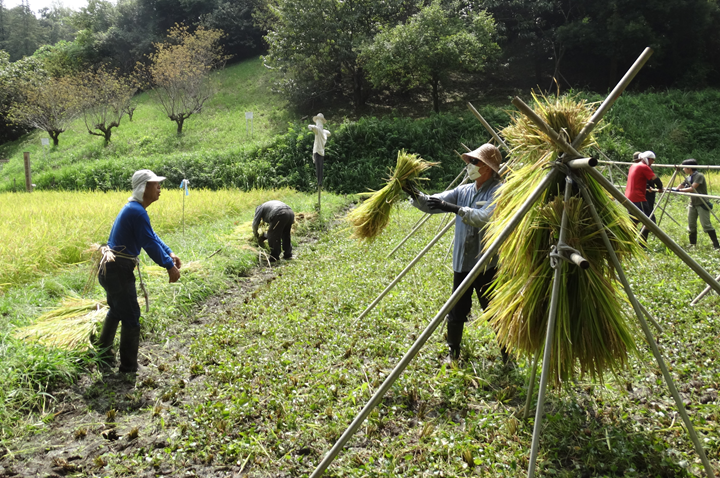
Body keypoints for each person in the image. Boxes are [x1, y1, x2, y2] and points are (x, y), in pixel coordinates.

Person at [405, 143, 505, 363]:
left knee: (495, 311)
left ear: (488, 167)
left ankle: (508, 354)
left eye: (474, 162)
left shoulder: (499, 190)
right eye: (470, 161)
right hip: (463, 261)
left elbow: (484, 217)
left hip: (486, 263)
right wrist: (411, 191)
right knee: (456, 309)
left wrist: (454, 209)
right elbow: (432, 203)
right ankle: (453, 352)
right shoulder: (463, 190)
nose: (469, 165)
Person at [96, 170, 181, 373]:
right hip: (118, 270)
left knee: (117, 310)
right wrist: (169, 266)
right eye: (155, 184)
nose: (159, 188)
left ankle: (103, 355)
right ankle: (128, 368)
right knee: (132, 315)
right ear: (144, 188)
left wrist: (169, 252)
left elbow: (151, 235)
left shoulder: (136, 210)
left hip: (112, 269)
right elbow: (148, 243)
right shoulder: (136, 211)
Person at [675, 158, 720, 249]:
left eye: (684, 168)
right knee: (691, 225)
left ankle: (716, 246)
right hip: (693, 203)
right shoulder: (688, 177)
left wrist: (680, 190)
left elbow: (692, 188)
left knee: (706, 225)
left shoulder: (699, 176)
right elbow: (681, 186)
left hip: (702, 203)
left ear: (690, 168)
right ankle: (692, 244)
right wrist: (674, 188)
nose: (683, 169)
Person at [625, 150, 659, 245]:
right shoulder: (643, 167)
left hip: (631, 197)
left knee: (634, 221)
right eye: (652, 160)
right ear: (648, 159)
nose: (652, 162)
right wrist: (660, 187)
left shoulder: (633, 166)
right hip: (638, 197)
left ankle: (629, 242)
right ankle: (641, 244)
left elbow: (640, 180)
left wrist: (649, 187)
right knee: (648, 222)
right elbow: (655, 179)